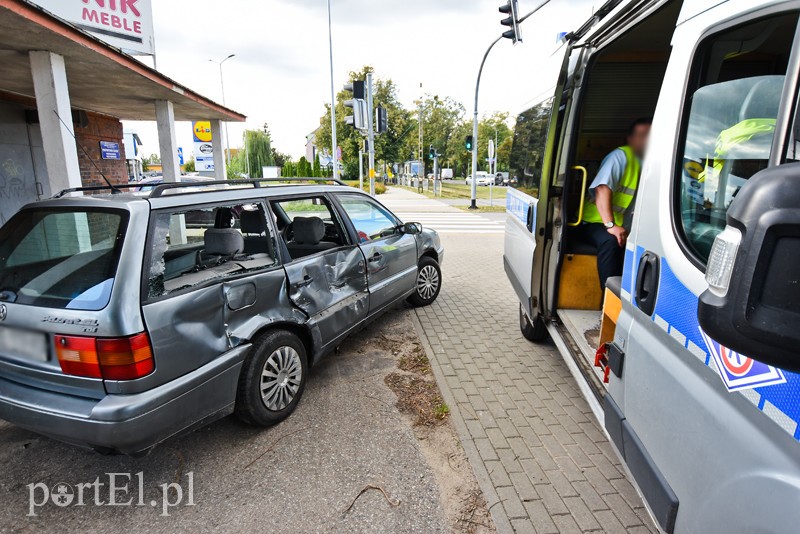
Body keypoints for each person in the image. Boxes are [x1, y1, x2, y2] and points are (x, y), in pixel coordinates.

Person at [577, 118, 652, 291]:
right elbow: (602, 189)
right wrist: (610, 225)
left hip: (624, 225)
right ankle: (608, 302)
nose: (646, 139)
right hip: (594, 222)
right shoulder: (620, 156)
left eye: (650, 135)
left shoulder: (653, 163)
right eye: (641, 135)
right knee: (610, 242)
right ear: (630, 139)